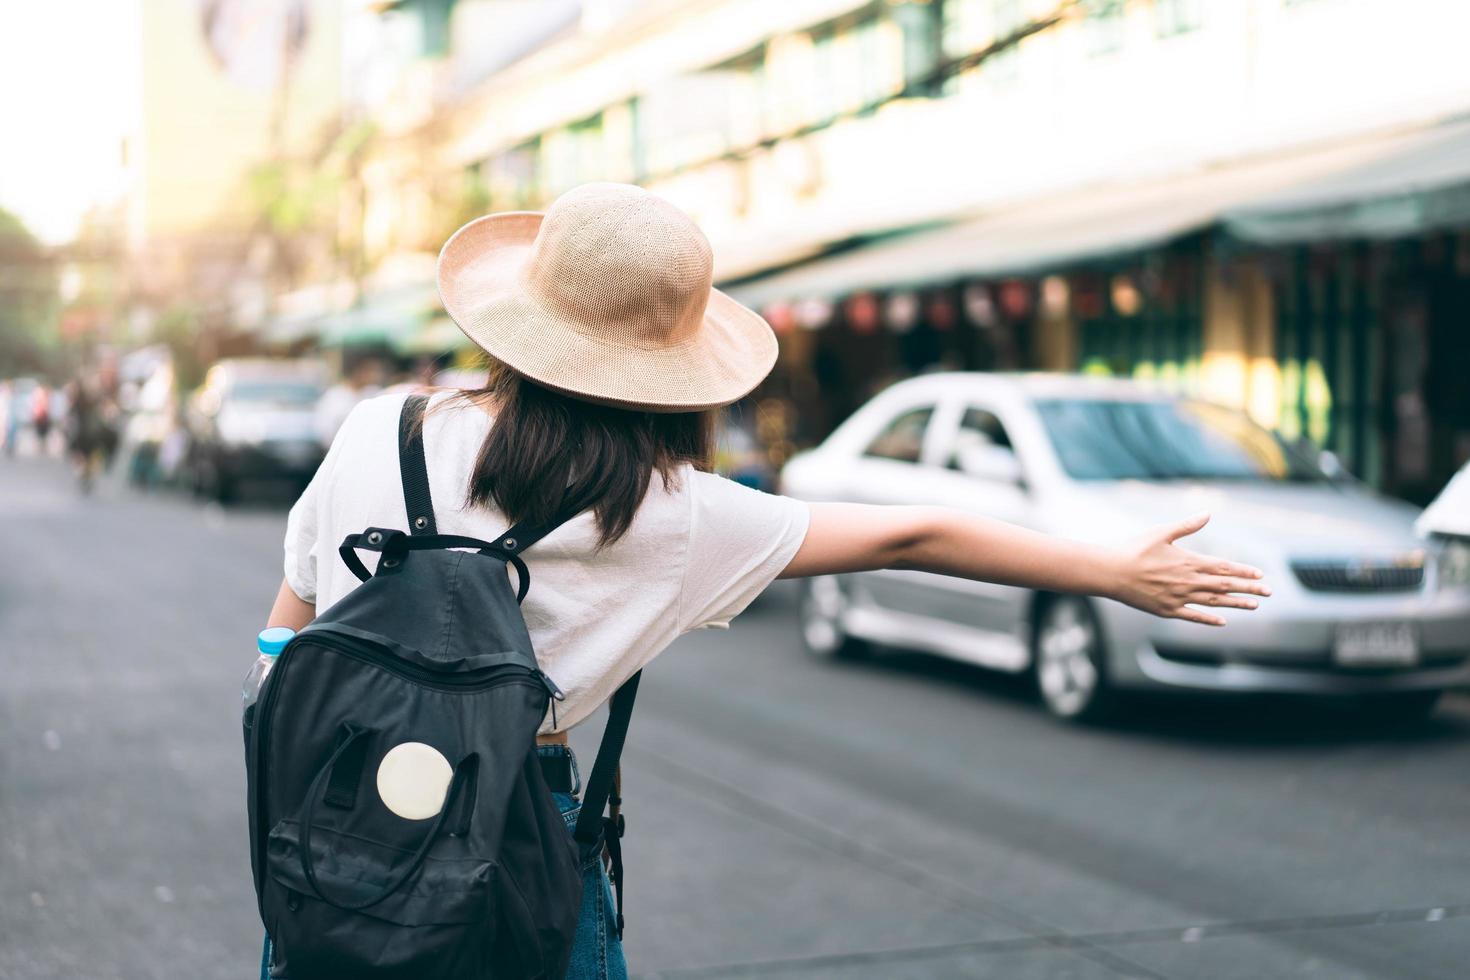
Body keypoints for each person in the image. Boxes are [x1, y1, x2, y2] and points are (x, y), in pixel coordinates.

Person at [262, 183, 1269, 978]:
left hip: (334, 815)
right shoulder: (666, 513)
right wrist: (1113, 568)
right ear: (672, 364)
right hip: (521, 843)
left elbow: (284, 642)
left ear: (521, 315)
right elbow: (913, 533)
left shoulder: (381, 426)